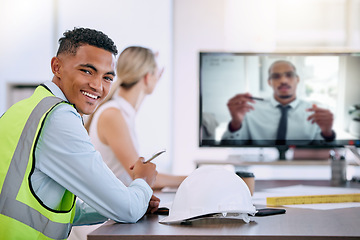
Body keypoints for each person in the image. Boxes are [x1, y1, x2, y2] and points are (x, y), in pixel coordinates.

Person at [0, 28, 159, 240]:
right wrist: (143, 181)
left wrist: (135, 196)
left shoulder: (25, 108)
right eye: (87, 71)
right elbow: (127, 210)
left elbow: (60, 209)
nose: (98, 86)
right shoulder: (59, 118)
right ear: (57, 67)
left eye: (107, 77)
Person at [69, 46, 186, 240]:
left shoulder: (122, 112)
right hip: (100, 224)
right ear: (147, 77)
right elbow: (138, 174)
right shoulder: (113, 114)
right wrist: (192, 177)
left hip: (114, 214)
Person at [222, 60, 336, 145]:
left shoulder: (315, 113)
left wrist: (327, 134)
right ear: (269, 82)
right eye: (276, 76)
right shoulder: (249, 110)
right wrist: (235, 124)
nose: (283, 80)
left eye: (289, 75)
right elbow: (229, 149)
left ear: (298, 79)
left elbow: (326, 156)